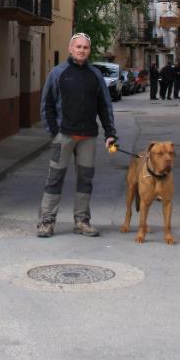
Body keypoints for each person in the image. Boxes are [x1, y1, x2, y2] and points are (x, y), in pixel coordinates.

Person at [38, 32, 118, 237]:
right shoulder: (58, 73)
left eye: (85, 47)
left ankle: (82, 221)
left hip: (88, 138)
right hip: (64, 136)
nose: (82, 50)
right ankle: (46, 221)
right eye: (78, 46)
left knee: (85, 180)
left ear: (89, 50)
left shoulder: (95, 75)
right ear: (70, 48)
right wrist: (54, 133)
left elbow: (104, 106)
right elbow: (47, 105)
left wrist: (110, 133)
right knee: (55, 178)